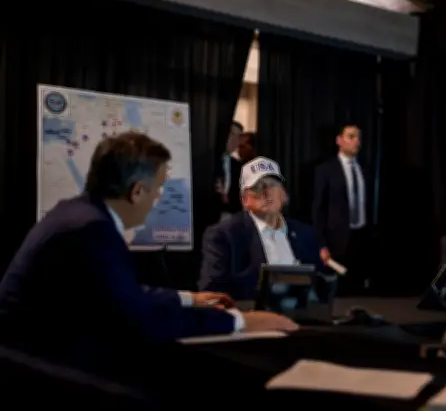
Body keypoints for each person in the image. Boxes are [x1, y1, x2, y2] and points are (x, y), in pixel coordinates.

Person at [0, 131, 297, 374]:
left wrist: (188, 298)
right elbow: (140, 319)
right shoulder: (92, 229)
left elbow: (123, 296)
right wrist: (241, 322)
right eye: (159, 187)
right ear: (137, 191)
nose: (159, 197)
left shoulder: (79, 214)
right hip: (49, 367)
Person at [200, 156, 330, 301]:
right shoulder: (224, 236)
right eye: (258, 188)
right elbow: (212, 292)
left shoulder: (306, 234)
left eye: (272, 185)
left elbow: (320, 287)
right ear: (244, 200)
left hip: (302, 312)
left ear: (283, 194)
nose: (266, 193)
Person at [313, 124, 372, 294]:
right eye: (351, 137)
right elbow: (318, 209)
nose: (356, 142)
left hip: (361, 238)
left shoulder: (365, 169)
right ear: (339, 140)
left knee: (359, 290)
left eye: (358, 138)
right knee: (337, 292)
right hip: (336, 242)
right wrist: (321, 244)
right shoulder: (326, 170)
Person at [215, 121, 244, 219]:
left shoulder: (239, 166)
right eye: (232, 134)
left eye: (238, 137)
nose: (235, 140)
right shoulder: (210, 162)